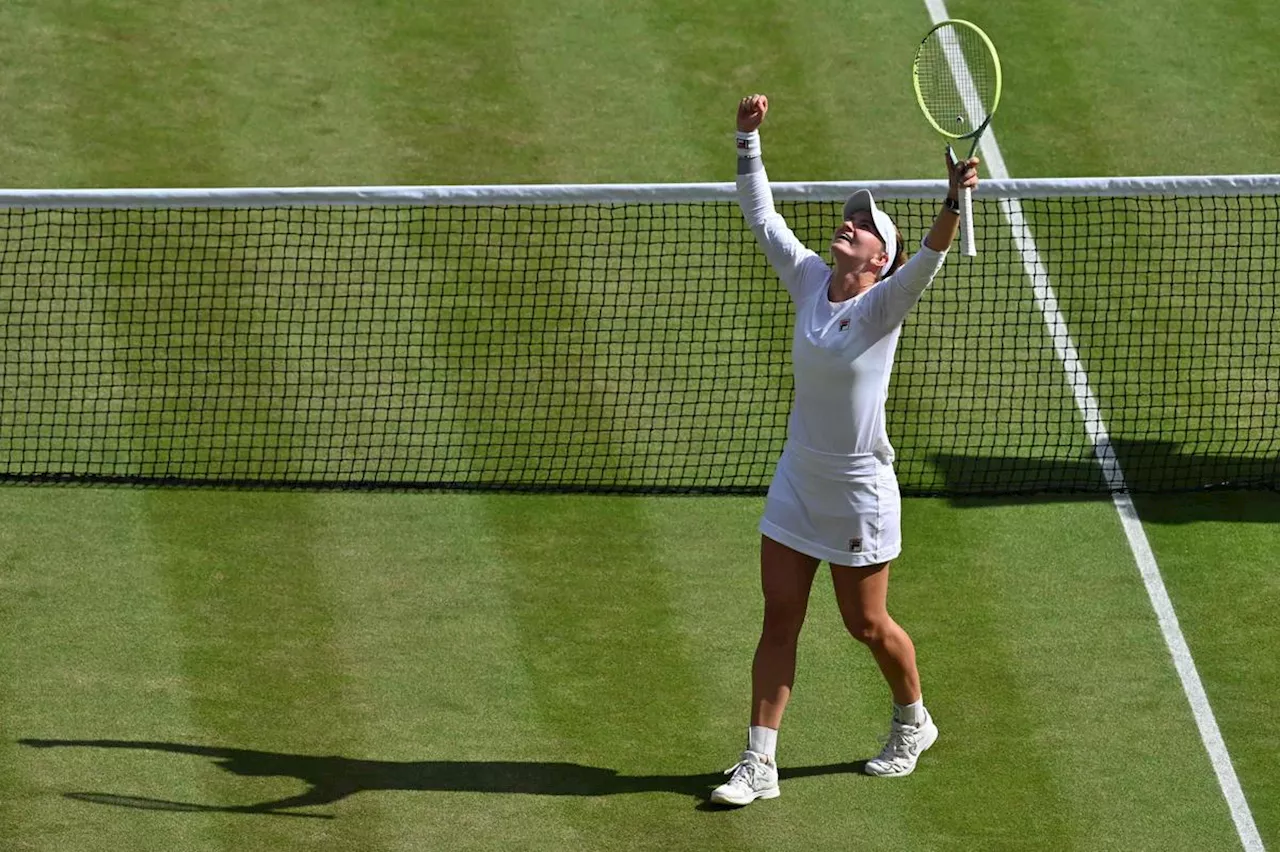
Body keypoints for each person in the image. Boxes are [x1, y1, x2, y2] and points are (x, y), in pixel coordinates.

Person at [710, 93, 980, 807]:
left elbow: (928, 259)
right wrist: (747, 140)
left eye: (863, 226)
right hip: (799, 477)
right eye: (850, 217)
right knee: (780, 616)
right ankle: (758, 763)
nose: (849, 224)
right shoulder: (806, 280)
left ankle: (912, 721)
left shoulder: (883, 305)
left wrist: (952, 201)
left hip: (861, 487)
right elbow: (762, 217)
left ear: (878, 257)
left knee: (865, 624)